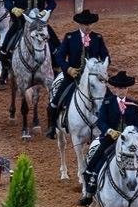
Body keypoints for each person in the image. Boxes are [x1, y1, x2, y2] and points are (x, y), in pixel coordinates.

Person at [78, 70, 138, 206]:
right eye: (119, 88)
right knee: (94, 163)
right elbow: (101, 121)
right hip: (110, 140)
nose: (122, 90)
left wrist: (133, 133)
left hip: (129, 142)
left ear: (127, 89)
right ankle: (89, 191)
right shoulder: (107, 103)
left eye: (124, 88)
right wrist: (109, 131)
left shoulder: (133, 104)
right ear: (115, 89)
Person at [46, 9, 109, 138]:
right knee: (55, 102)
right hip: (73, 78)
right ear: (79, 24)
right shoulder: (70, 37)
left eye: (90, 24)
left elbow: (106, 57)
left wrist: (100, 68)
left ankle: (111, 125)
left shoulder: (97, 38)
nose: (88, 27)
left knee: (110, 100)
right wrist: (68, 69)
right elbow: (59, 56)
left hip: (93, 79)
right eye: (85, 24)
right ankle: (52, 127)